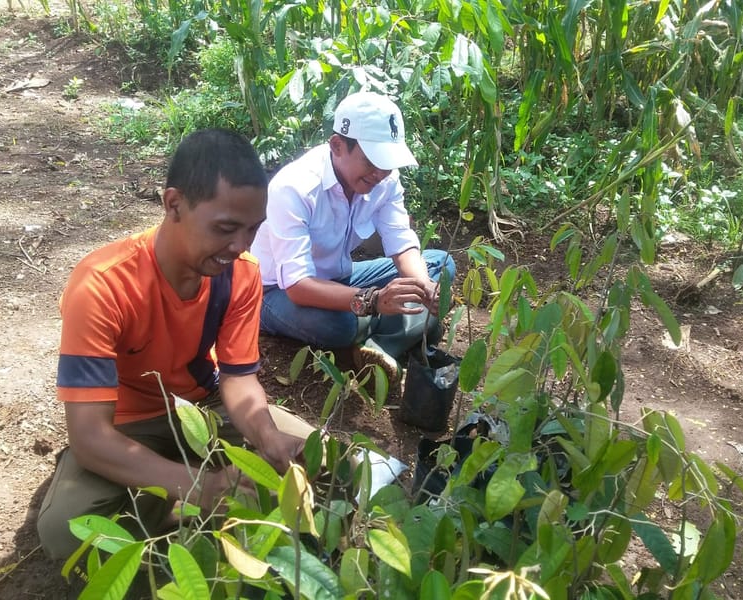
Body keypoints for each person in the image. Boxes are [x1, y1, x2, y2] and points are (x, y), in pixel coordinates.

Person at [37, 129, 311, 561]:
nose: (240, 246)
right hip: (126, 424)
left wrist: (266, 435)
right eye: (225, 229)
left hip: (203, 411)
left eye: (253, 229)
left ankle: (166, 502)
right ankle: (181, 500)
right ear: (174, 204)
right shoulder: (103, 285)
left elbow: (239, 382)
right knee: (67, 531)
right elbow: (90, 435)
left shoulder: (241, 274)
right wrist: (200, 485)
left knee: (320, 459)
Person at [250, 91, 456, 384]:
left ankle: (376, 345)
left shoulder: (384, 180)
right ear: (337, 145)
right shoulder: (294, 188)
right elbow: (298, 286)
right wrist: (371, 300)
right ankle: (393, 333)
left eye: (387, 163)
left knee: (439, 266)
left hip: (338, 278)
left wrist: (422, 285)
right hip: (275, 292)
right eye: (372, 161)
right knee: (341, 324)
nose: (380, 173)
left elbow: (399, 237)